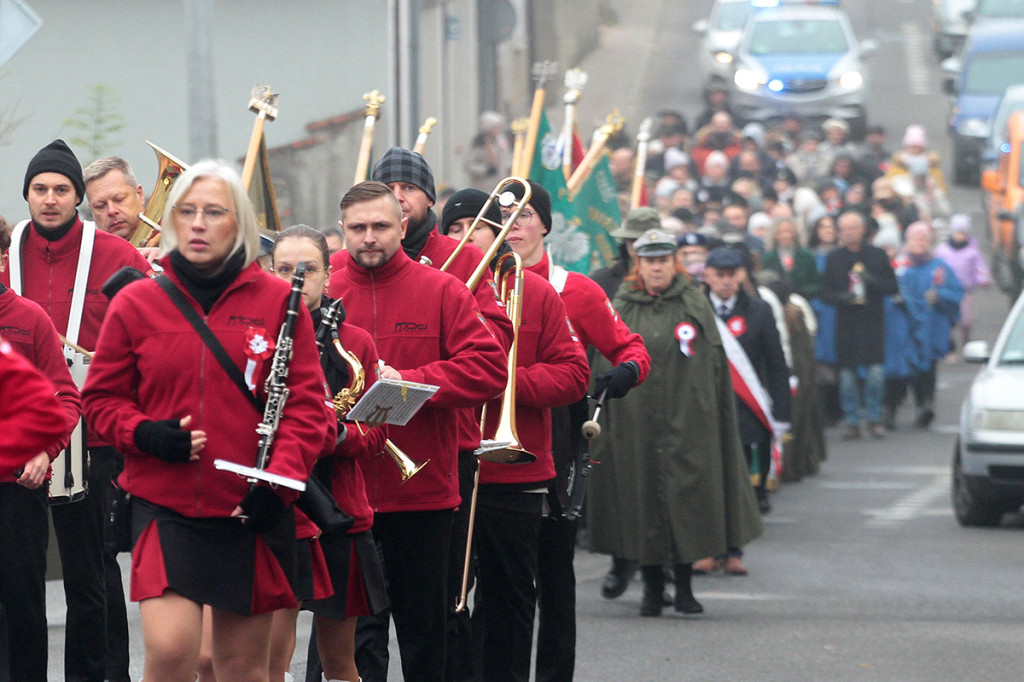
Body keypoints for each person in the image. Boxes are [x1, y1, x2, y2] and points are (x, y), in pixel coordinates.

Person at [82, 160, 333, 681]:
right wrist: (145, 434)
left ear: (237, 223)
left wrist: (279, 484)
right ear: (172, 222)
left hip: (249, 509)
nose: (198, 223)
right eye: (188, 212)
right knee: (173, 652)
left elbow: (306, 410)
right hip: (164, 503)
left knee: (242, 668)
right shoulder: (136, 303)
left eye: (213, 212)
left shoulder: (277, 302)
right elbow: (101, 402)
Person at [329, 181, 507, 682]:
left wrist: (412, 380)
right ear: (341, 230)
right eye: (358, 227)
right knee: (349, 640)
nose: (369, 237)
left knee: (426, 635)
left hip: (422, 492)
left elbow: (490, 369)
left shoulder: (443, 289)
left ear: (402, 227)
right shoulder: (326, 293)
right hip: (344, 490)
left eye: (381, 226)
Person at [0, 139, 152, 682]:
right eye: (39, 189)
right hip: (21, 441)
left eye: (61, 189)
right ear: (26, 195)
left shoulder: (119, 255)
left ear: (77, 198)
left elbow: (150, 343)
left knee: (92, 572)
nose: (49, 199)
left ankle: (104, 674)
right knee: (19, 577)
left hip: (96, 436)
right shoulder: (7, 249)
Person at [504, 180, 651, 681]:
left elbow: (631, 348)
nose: (514, 226)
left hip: (560, 445)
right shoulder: (473, 286)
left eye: (525, 216)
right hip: (487, 452)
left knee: (553, 575)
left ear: (545, 225)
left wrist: (625, 372)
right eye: (504, 217)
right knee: (496, 584)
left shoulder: (575, 289)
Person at [440, 188, 590, 681]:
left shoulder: (537, 292)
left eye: (476, 228)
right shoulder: (435, 290)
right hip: (447, 470)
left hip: (515, 470)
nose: (465, 238)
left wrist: (504, 384)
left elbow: (573, 375)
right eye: (454, 229)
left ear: (498, 233)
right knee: (450, 601)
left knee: (509, 598)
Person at [588, 230, 763, 616]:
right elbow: (605, 362)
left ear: (674, 264)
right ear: (639, 264)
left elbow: (714, 366)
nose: (656, 267)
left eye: (663, 260)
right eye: (649, 260)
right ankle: (652, 588)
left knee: (687, 501)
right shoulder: (622, 304)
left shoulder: (693, 303)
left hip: (688, 422)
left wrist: (710, 415)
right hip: (635, 423)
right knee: (642, 501)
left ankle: (684, 586)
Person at [269, 225, 389, 682]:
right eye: (283, 269)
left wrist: (336, 437)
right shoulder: (257, 337)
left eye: (307, 269)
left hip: (340, 511)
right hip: (279, 511)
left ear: (328, 275)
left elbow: (377, 433)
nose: (294, 279)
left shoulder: (355, 343)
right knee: (268, 664)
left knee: (341, 663)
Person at [0, 215, 81, 681]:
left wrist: (43, 449)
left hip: (17, 491)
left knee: (23, 608)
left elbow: (66, 398)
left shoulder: (30, 318)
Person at [704, 247, 791, 517]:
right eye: (720, 275)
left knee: (751, 447)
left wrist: (781, 411)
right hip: (710, 399)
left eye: (732, 274)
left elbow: (776, 363)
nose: (726, 281)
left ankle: (758, 492)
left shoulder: (758, 310)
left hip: (749, 399)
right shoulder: (696, 310)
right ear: (707, 275)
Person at [820, 210, 899, 439]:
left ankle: (874, 417)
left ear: (863, 230)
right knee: (847, 378)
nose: (848, 233)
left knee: (875, 374)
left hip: (872, 321)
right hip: (846, 323)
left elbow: (892, 287)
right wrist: (841, 298)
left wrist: (872, 281)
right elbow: (825, 293)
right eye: (844, 229)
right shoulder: (834, 258)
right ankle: (852, 419)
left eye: (853, 228)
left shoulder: (877, 256)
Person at [884, 222, 963, 429]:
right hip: (901, 329)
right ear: (907, 241)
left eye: (923, 238)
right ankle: (889, 410)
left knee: (926, 369)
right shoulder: (897, 266)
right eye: (915, 238)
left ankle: (924, 406)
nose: (919, 242)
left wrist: (940, 296)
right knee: (897, 369)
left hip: (930, 328)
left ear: (930, 242)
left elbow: (956, 293)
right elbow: (884, 291)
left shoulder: (940, 267)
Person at [84, 155, 163, 264]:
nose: (111, 211)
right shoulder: (87, 258)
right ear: (92, 210)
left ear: (140, 195)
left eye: (119, 199)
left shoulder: (176, 244)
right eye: (100, 205)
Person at [933, 214, 991, 358]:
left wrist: (983, 279)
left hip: (966, 291)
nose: (960, 236)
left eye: (963, 233)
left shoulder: (972, 252)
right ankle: (949, 348)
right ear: (952, 233)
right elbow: (936, 267)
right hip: (947, 291)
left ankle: (966, 341)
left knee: (965, 321)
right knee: (949, 320)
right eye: (958, 232)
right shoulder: (942, 250)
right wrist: (936, 281)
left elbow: (980, 267)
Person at [590, 207, 662, 300]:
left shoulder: (678, 283)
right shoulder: (602, 281)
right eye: (634, 241)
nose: (641, 247)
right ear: (626, 243)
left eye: (648, 242)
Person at [761, 216, 820, 300]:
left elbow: (815, 284)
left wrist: (801, 291)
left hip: (804, 300)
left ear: (795, 233)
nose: (785, 236)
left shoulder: (806, 256)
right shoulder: (768, 258)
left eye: (788, 231)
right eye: (779, 232)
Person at [464, 110, 513, 191]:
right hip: (482, 184)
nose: (498, 130)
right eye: (495, 127)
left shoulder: (501, 141)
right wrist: (485, 169)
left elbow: (506, 158)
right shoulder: (478, 143)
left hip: (499, 183)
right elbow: (468, 164)